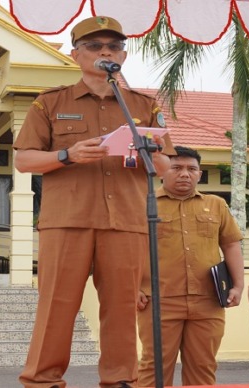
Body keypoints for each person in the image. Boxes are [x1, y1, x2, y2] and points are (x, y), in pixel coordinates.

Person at [13, 16, 175, 388]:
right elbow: (23, 160)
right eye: (95, 46)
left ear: (123, 54)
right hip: (67, 221)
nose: (105, 52)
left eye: (114, 46)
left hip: (127, 221)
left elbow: (165, 166)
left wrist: (142, 149)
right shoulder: (50, 102)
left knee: (121, 309)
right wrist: (66, 155)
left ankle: (119, 381)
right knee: (56, 306)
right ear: (76, 54)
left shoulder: (143, 106)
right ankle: (42, 381)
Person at [136, 146, 245, 386]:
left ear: (199, 174)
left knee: (203, 368)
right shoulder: (144, 203)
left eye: (191, 169)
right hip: (158, 301)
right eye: (177, 167)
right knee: (154, 368)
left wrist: (238, 285)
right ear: (163, 170)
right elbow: (127, 249)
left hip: (208, 301)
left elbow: (231, 245)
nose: (185, 173)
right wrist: (131, 288)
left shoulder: (216, 205)